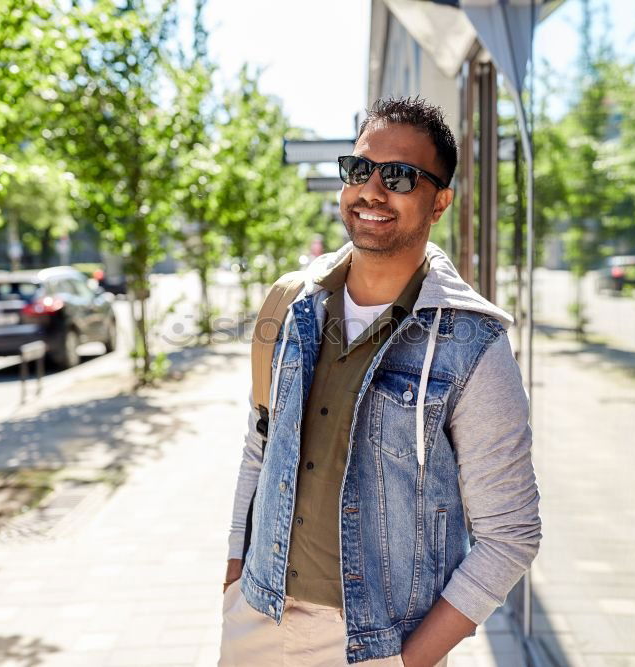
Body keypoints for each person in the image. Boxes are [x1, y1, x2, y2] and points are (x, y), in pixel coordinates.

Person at [219, 97, 541, 666]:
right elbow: (260, 447)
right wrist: (233, 582)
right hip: (257, 622)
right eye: (359, 169)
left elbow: (510, 534)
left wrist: (407, 662)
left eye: (399, 176)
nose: (372, 190)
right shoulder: (289, 304)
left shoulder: (473, 343)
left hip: (374, 644)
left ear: (440, 201)